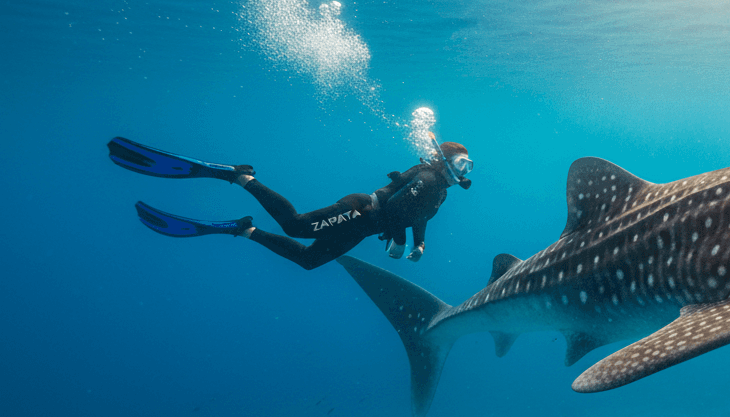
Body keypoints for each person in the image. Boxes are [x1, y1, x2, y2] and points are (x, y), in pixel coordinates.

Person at [108, 136, 472, 270]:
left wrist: (420, 241)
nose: (466, 170)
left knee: (309, 260)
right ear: (443, 161)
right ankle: (239, 175)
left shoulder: (439, 189)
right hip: (361, 211)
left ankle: (243, 229)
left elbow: (417, 214)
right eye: (461, 163)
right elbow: (396, 211)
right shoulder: (426, 178)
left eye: (468, 166)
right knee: (296, 226)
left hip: (362, 229)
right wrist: (398, 240)